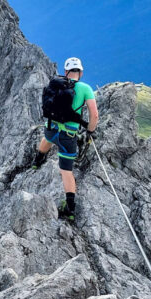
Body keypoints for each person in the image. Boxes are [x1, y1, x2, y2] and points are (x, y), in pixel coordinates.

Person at [32, 57, 99, 223]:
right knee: (66, 170)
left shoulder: (56, 84)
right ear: (81, 72)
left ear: (66, 72)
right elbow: (94, 115)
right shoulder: (85, 88)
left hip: (51, 129)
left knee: (46, 139)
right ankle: (69, 208)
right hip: (68, 136)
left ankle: (38, 160)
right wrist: (89, 131)